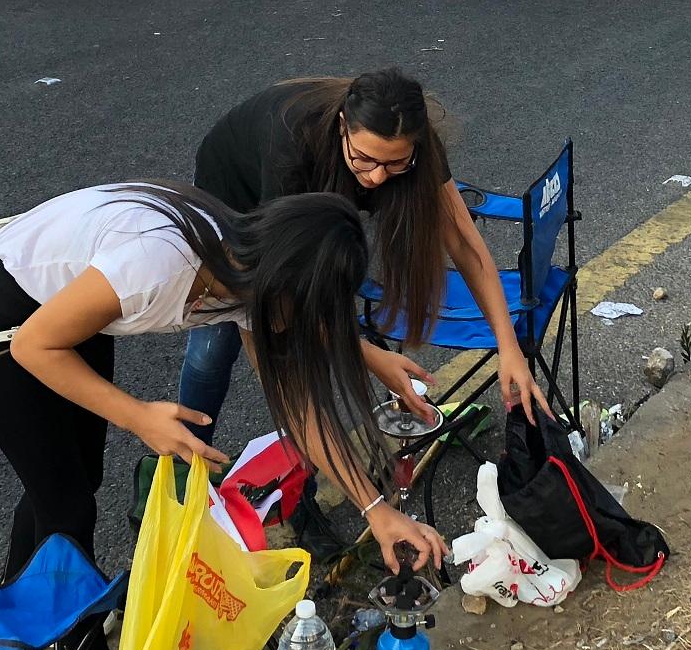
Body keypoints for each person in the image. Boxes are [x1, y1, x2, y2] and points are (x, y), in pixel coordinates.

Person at [0, 182, 444, 650]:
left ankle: (23, 595)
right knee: (66, 503)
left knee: (73, 477)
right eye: (304, 312)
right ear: (283, 281)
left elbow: (297, 409)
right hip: (2, 325)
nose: (299, 329)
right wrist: (140, 418)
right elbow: (34, 347)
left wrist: (376, 510)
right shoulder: (157, 266)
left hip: (66, 313)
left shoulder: (249, 276)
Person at [179, 72, 548, 452]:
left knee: (309, 348)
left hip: (305, 204)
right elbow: (281, 290)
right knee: (219, 345)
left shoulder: (417, 150)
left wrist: (509, 346)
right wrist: (368, 354)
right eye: (364, 158)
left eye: (394, 165)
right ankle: (180, 462)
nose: (374, 178)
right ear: (343, 126)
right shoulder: (291, 148)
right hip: (233, 197)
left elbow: (465, 245)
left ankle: (303, 476)